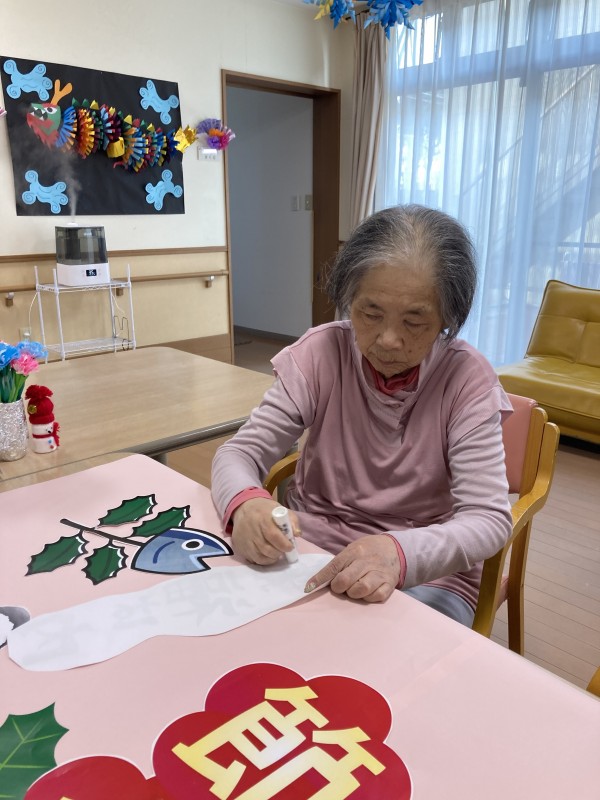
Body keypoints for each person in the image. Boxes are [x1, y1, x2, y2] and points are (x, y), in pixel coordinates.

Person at [211, 205, 512, 625]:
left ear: (448, 319)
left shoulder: (466, 379)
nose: (388, 340)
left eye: (414, 322)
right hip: (314, 548)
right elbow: (239, 453)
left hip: (427, 570)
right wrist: (246, 504)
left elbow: (488, 519)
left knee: (386, 656)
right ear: (348, 299)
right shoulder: (320, 354)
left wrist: (398, 553)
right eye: (370, 314)